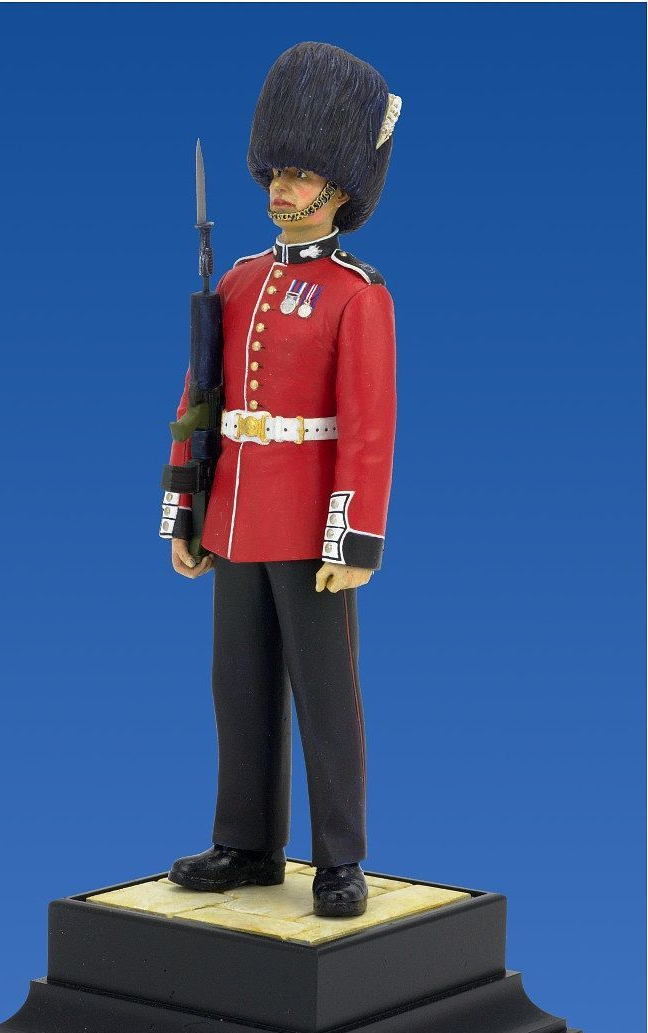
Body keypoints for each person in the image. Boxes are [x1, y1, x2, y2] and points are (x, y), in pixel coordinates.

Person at [159, 42, 401, 917]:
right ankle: (246, 843)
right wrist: (185, 511)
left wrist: (352, 539)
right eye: (276, 171)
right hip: (234, 517)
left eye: (300, 174)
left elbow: (367, 431)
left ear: (338, 190)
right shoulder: (237, 282)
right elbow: (199, 401)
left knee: (325, 697)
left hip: (306, 526)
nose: (280, 188)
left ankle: (339, 857)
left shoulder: (355, 294)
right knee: (239, 687)